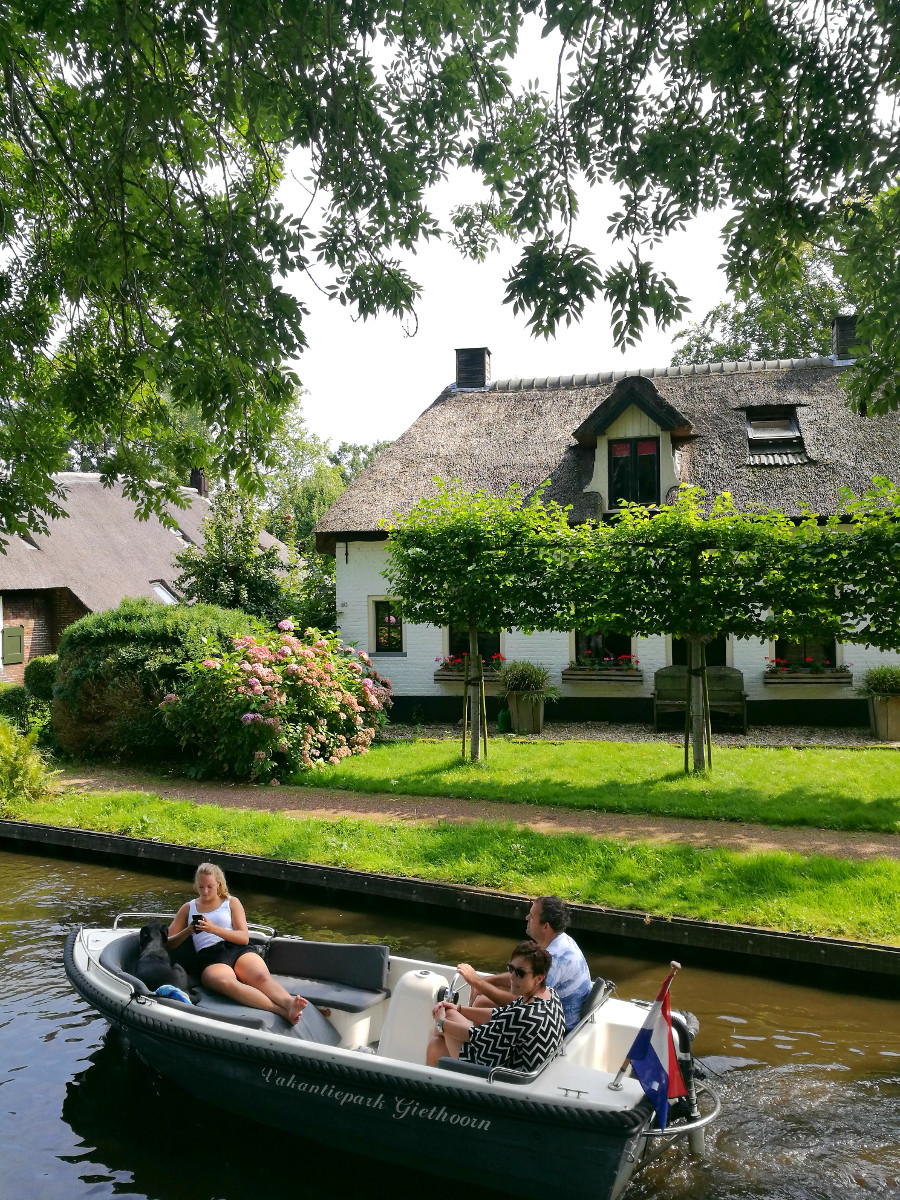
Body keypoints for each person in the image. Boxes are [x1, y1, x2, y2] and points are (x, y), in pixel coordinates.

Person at [168, 862, 307, 1024]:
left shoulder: (231, 902)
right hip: (210, 957)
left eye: (210, 887)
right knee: (227, 983)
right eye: (201, 887)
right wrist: (188, 931)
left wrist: (213, 929)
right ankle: (281, 1011)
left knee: (261, 977)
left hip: (237, 948)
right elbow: (168, 944)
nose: (205, 892)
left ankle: (289, 1003)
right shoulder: (188, 908)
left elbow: (243, 938)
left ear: (218, 883)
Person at [455, 894, 592, 1030]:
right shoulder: (562, 940)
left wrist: (478, 983)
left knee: (483, 1003)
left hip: (558, 1029)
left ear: (546, 926)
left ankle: (483, 1047)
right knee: (491, 993)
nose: (526, 918)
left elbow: (524, 1004)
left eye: (531, 916)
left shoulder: (555, 959)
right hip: (554, 1014)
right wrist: (489, 981)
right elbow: (523, 974)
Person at [426, 940, 565, 1071]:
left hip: (501, 1079)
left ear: (539, 978)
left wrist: (441, 1022)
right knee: (436, 1046)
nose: (512, 977)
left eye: (520, 973)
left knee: (447, 1017)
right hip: (520, 1070)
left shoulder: (523, 1015)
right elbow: (500, 1013)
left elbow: (473, 1036)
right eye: (511, 968)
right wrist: (459, 1009)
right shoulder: (550, 995)